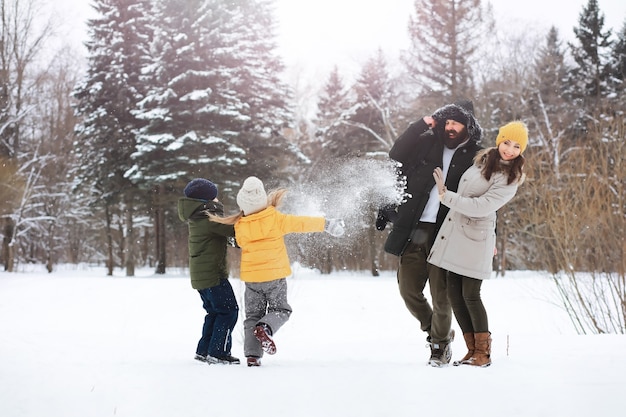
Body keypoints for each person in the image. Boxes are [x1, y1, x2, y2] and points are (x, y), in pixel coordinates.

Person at [376, 100, 483, 366]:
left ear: (468, 125)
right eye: (447, 122)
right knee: (408, 290)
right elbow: (396, 155)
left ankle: (439, 345)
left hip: (448, 231)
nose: (450, 128)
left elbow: (485, 198)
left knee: (442, 296)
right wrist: (421, 124)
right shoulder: (425, 143)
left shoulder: (477, 157)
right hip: (415, 227)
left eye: (456, 123)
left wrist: (490, 237)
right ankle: (437, 331)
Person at [209, 176, 345, 367]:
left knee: (252, 316)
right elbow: (301, 223)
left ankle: (252, 356)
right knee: (281, 309)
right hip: (274, 277)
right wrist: (326, 223)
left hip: (252, 280)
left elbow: (237, 242)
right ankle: (266, 327)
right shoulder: (275, 219)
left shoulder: (240, 225)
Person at [428, 120, 528, 367]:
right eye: (507, 142)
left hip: (476, 237)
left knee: (471, 294)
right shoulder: (482, 162)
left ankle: (483, 353)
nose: (510, 150)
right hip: (457, 232)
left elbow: (483, 206)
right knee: (454, 292)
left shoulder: (510, 177)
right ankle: (471, 351)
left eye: (516, 146)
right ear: (499, 140)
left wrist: (446, 196)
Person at [178, 178, 240, 365]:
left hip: (202, 277)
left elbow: (226, 236)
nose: (218, 199)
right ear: (207, 200)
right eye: (215, 196)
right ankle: (218, 353)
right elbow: (236, 231)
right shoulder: (209, 219)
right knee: (229, 311)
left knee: (214, 312)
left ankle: (204, 350)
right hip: (213, 276)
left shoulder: (198, 218)